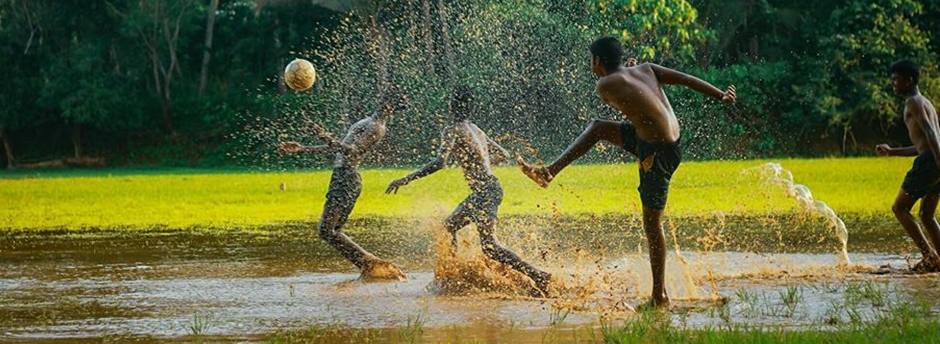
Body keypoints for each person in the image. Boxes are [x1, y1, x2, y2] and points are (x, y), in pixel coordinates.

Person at [517, 36, 736, 308]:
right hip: (658, 140)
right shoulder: (645, 69)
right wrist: (721, 95)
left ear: (598, 61)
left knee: (652, 225)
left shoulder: (605, 84)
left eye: (591, 60)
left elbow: (621, 97)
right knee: (598, 127)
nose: (591, 66)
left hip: (658, 153)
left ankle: (659, 297)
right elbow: (685, 79)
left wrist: (624, 77)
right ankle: (548, 172)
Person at [385, 87, 552, 296]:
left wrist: (406, 179)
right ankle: (453, 276)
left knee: (489, 246)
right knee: (451, 228)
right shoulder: (475, 128)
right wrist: (480, 166)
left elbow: (439, 162)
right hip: (490, 188)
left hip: (485, 191)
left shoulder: (452, 129)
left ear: (451, 106)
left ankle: (537, 276)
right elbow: (503, 154)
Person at [278, 88, 409, 281]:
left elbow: (353, 152)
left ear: (390, 107)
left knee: (327, 230)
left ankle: (372, 265)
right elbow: (337, 149)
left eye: (385, 99)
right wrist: (302, 149)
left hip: (347, 179)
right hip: (341, 177)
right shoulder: (367, 121)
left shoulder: (377, 127)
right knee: (329, 231)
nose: (380, 100)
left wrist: (324, 136)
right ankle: (371, 266)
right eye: (381, 97)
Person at [875, 59, 940, 273]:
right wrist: (892, 151)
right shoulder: (925, 102)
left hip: (931, 163)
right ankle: (937, 261)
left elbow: (931, 134)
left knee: (899, 208)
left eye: (896, 80)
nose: (893, 84)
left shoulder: (913, 102)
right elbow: (923, 144)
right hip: (933, 160)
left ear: (909, 81)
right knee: (926, 215)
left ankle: (930, 257)